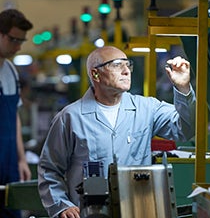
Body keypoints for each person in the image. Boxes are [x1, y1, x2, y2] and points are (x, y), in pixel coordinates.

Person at [38, 45, 196, 218]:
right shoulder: (70, 118)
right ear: (95, 74)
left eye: (128, 65)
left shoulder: (147, 108)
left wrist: (183, 89)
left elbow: (185, 129)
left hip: (137, 211)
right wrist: (62, 206)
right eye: (116, 65)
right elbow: (49, 170)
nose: (126, 71)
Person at [0, 9, 33, 217]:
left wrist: (21, 159)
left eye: (22, 41)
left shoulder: (11, 71)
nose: (18, 47)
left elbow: (15, 118)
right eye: (14, 40)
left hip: (10, 161)